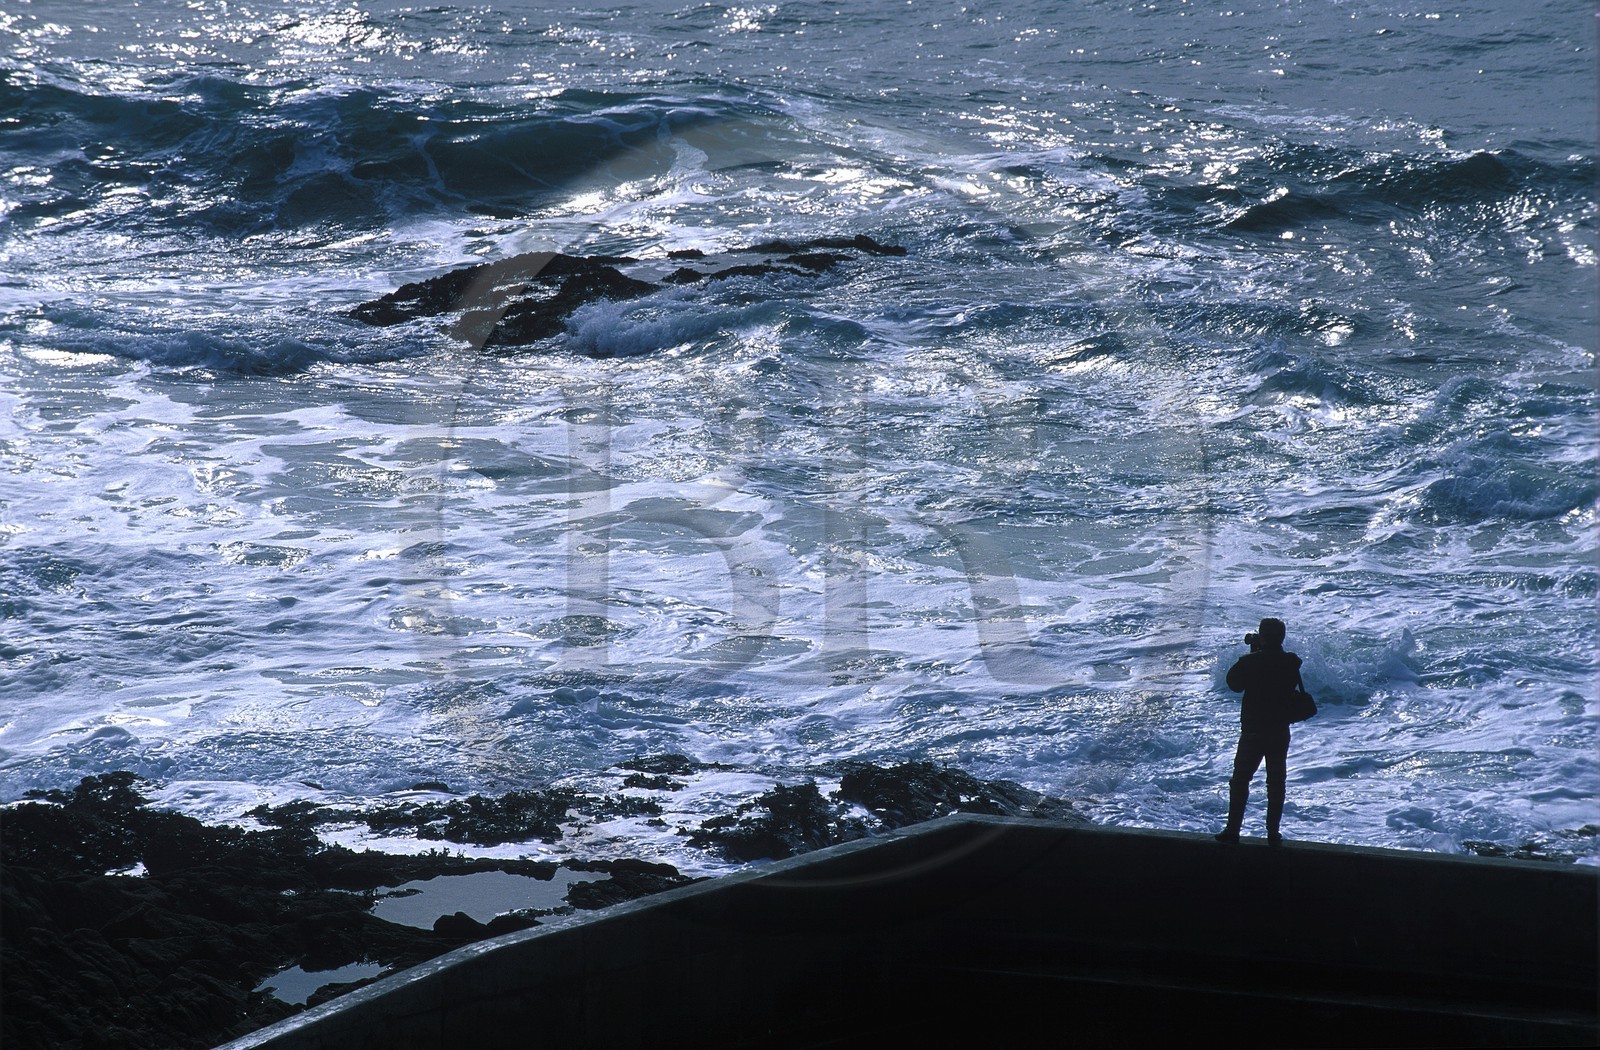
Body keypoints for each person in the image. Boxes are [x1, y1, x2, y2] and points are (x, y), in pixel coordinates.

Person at [1215, 617, 1304, 845]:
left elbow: (1234, 684)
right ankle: (1273, 833)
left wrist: (1253, 653)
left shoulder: (1251, 662)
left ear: (1262, 637)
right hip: (1279, 730)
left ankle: (1232, 830)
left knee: (1240, 780)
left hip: (1254, 730)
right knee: (1276, 782)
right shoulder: (1290, 662)